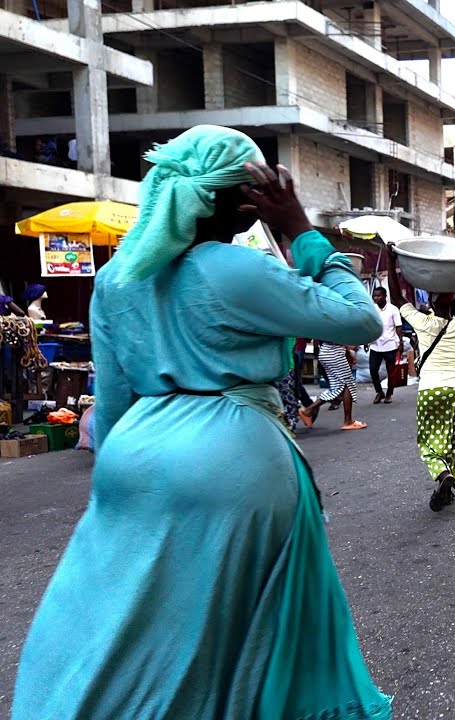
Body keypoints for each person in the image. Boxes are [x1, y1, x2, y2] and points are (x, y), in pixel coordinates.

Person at [12, 129, 388, 718]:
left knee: (118, 624)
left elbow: (108, 402)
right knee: (231, 639)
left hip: (132, 458)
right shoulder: (234, 269)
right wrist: (299, 230)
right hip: (233, 453)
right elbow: (361, 320)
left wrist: (117, 485)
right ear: (244, 203)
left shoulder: (116, 279)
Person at [387, 246, 455, 512]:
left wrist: (392, 262)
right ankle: (448, 483)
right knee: (451, 439)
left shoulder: (422, 322)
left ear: (432, 302)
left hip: (430, 389)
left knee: (427, 441)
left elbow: (396, 296)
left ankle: (441, 474)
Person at [301, 342, 365, 430]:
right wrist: (348, 350)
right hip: (335, 353)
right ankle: (348, 421)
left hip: (324, 351)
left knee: (337, 386)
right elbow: (340, 338)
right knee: (347, 384)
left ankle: (308, 411)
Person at [367, 286, 402, 404]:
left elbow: (398, 327)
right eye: (374, 296)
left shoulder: (393, 309)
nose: (376, 298)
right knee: (372, 370)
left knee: (391, 371)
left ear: (385, 296)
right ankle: (379, 392)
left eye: (378, 295)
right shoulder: (372, 309)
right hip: (375, 345)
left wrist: (400, 343)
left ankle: (389, 394)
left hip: (390, 345)